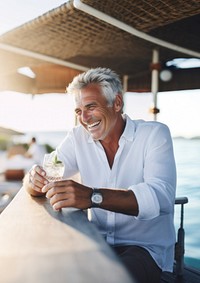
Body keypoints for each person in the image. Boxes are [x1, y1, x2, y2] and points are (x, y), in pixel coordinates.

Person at [24, 67, 176, 283]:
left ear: (116, 103)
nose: (84, 118)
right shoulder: (77, 138)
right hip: (97, 242)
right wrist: (33, 179)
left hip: (145, 249)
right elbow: (44, 174)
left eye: (91, 107)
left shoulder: (154, 134)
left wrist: (93, 196)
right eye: (78, 111)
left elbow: (162, 197)